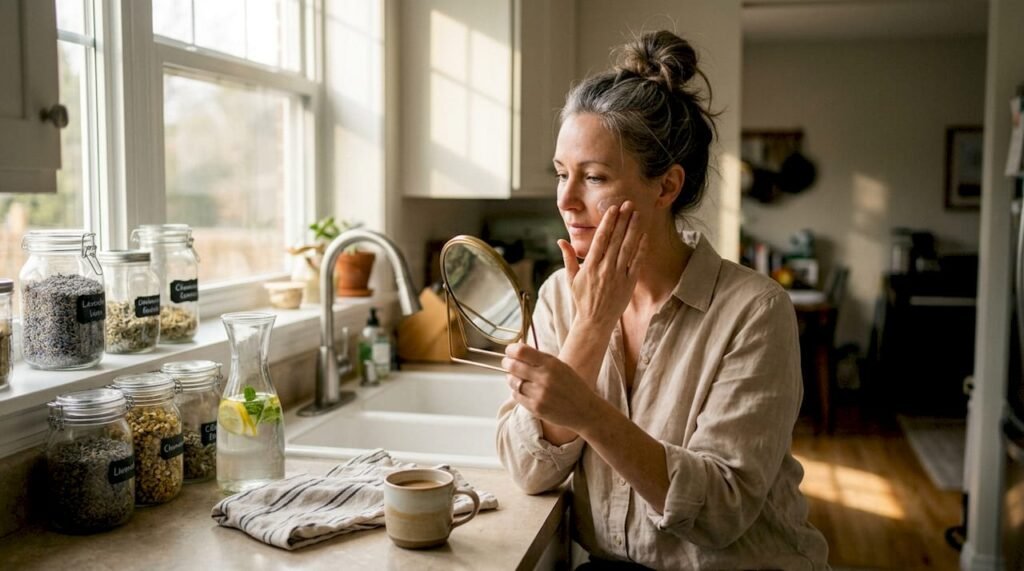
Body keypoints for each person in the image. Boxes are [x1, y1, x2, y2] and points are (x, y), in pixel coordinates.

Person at [496, 30, 830, 570]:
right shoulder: (560, 294)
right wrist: (592, 325)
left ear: (666, 186)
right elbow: (528, 469)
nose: (565, 199)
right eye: (561, 174)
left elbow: (721, 512)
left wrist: (588, 413)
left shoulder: (755, 312)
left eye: (594, 177)